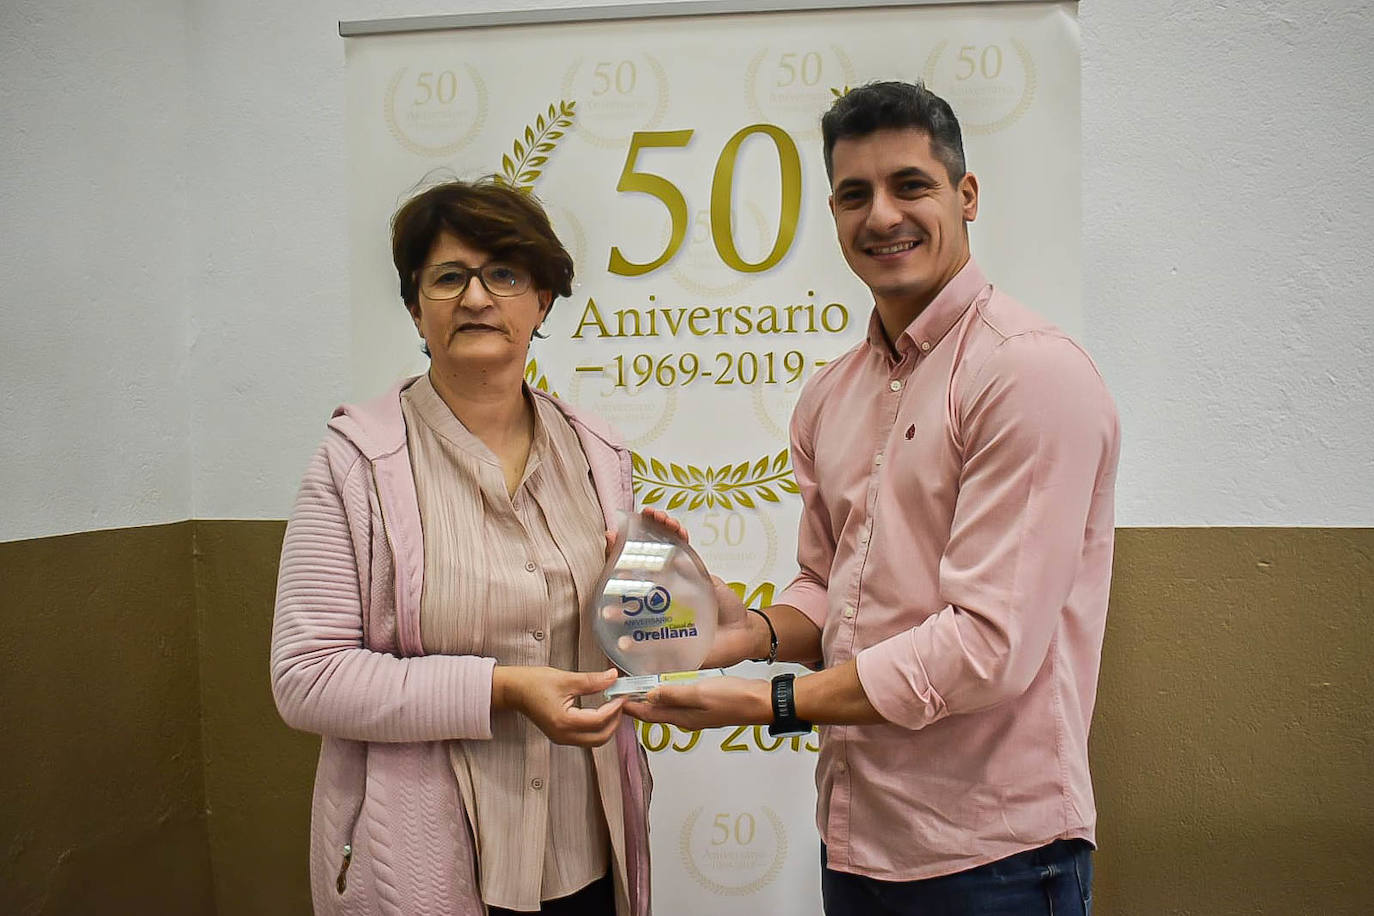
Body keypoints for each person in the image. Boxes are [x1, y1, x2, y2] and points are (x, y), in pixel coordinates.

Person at [628, 80, 1120, 915]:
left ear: (966, 197)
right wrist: (745, 632)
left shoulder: (1028, 374)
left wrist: (765, 701)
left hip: (995, 858)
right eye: (855, 194)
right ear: (832, 212)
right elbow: (830, 589)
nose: (881, 215)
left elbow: (985, 648)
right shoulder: (830, 397)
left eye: (910, 185)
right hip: (857, 842)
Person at [271, 177, 660, 915]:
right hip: (428, 864)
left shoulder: (600, 454)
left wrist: (671, 599)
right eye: (450, 277)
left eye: (505, 274)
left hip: (588, 852)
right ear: (416, 307)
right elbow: (306, 676)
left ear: (543, 300)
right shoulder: (356, 461)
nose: (477, 297)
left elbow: (623, 640)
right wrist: (500, 688)